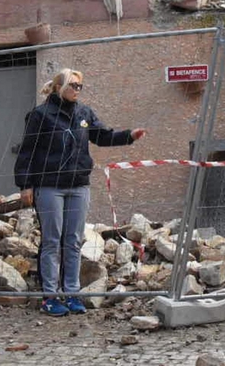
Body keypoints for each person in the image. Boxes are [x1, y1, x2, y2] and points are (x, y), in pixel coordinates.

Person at [13, 68, 146, 317]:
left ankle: (72, 293)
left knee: (73, 241)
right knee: (52, 241)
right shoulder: (41, 115)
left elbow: (102, 136)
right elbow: (27, 150)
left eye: (80, 86)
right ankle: (50, 296)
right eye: (73, 85)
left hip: (78, 186)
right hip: (49, 186)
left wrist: (128, 136)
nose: (77, 90)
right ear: (59, 87)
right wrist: (25, 185)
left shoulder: (84, 113)